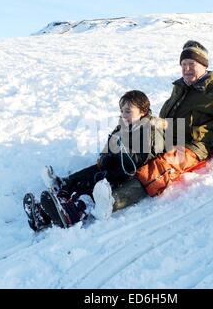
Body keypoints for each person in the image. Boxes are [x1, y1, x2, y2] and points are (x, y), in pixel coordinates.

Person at [105, 40, 213, 206]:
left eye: (191, 64)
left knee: (160, 167)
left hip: (192, 147)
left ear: (204, 66)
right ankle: (86, 184)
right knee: (132, 152)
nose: (186, 69)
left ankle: (113, 200)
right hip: (168, 137)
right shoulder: (181, 86)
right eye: (183, 64)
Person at [23, 90, 165, 231]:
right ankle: (44, 214)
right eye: (122, 111)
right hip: (114, 166)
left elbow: (139, 161)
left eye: (128, 111)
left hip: (127, 176)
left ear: (143, 111)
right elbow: (111, 141)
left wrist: (120, 151)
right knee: (89, 174)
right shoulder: (125, 124)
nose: (123, 115)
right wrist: (105, 156)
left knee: (93, 188)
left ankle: (73, 213)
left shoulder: (148, 130)